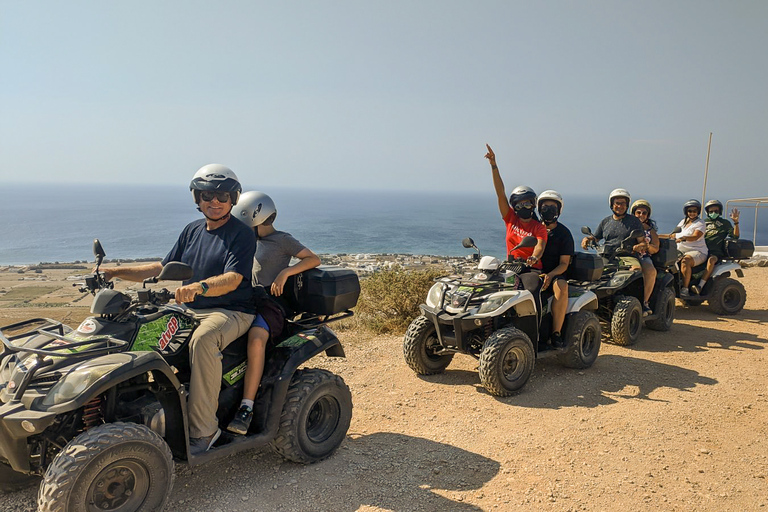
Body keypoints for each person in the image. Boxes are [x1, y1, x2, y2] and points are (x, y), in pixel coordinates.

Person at [100, 164, 256, 455]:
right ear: (197, 199)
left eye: (222, 196)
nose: (215, 201)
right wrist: (116, 272)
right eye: (207, 195)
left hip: (231, 310)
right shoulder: (192, 230)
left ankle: (204, 431)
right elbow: (162, 268)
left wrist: (200, 287)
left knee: (203, 340)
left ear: (233, 199)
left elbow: (233, 279)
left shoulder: (241, 234)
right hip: (190, 309)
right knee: (137, 330)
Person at [226, 191, 321, 435]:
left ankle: (246, 408)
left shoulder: (283, 240)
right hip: (249, 298)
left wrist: (285, 273)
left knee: (257, 338)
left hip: (272, 303)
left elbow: (313, 259)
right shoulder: (249, 241)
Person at [580, 189, 652, 314]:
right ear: (612, 204)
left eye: (623, 203)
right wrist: (587, 239)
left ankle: (641, 303)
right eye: (617, 203)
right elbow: (596, 237)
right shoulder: (606, 221)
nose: (620, 206)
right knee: (589, 272)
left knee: (636, 270)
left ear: (627, 205)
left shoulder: (634, 221)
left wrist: (639, 246)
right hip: (606, 255)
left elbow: (642, 241)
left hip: (626, 256)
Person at [484, 144, 547, 269]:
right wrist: (493, 166)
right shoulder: (510, 219)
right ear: (514, 207)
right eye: (519, 205)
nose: (524, 207)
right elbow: (500, 194)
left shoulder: (539, 228)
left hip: (531, 269)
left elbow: (539, 246)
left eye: (527, 203)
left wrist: (534, 257)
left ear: (533, 204)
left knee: (530, 286)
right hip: (511, 267)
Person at [537, 190, 574, 349]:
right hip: (534, 272)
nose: (548, 210)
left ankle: (556, 333)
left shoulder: (564, 234)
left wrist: (551, 275)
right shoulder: (535, 228)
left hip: (555, 273)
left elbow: (564, 263)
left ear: (559, 210)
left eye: (552, 207)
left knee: (561, 287)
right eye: (545, 207)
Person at [695, 199, 740, 294]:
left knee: (711, 260)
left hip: (715, 252)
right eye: (711, 211)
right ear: (707, 212)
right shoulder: (702, 222)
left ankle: (700, 286)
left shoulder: (725, 223)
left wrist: (736, 222)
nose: (713, 213)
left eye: (716, 211)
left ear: (720, 211)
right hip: (700, 250)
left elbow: (735, 236)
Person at [667, 199, 708, 297]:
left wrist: (684, 238)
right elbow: (673, 235)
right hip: (680, 251)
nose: (692, 213)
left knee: (685, 261)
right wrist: (656, 236)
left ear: (698, 211)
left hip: (697, 252)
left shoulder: (700, 223)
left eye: (694, 211)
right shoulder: (683, 222)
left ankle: (685, 289)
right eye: (690, 211)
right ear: (686, 212)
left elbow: (695, 236)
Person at [630, 199, 660, 315]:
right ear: (633, 213)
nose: (641, 215)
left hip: (643, 257)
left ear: (647, 215)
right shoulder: (627, 225)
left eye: (644, 213)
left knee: (650, 271)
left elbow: (655, 248)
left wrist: (646, 246)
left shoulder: (649, 230)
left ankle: (645, 302)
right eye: (638, 212)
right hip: (624, 256)